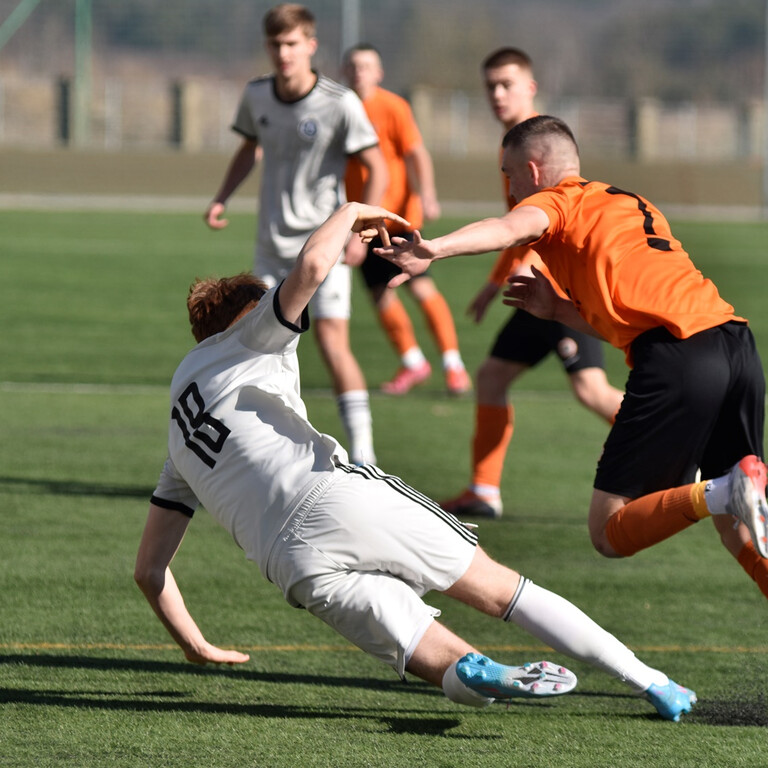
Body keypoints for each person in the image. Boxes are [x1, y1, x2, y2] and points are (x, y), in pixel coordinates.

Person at [135, 201, 696, 721]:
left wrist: (195, 645)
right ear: (243, 315)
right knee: (503, 590)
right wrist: (352, 211)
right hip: (330, 495)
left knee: (428, 653)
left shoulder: (178, 439)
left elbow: (150, 571)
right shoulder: (249, 338)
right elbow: (309, 268)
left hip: (290, 566)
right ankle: (653, 682)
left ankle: (479, 671)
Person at [376, 115, 768, 603]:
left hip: (679, 357)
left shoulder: (555, 200)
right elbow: (630, 319)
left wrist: (434, 249)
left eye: (509, 173)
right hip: (735, 346)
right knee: (744, 524)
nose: (511, 187)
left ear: (534, 171)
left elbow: (506, 228)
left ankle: (721, 490)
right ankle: (729, 495)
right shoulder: (631, 203)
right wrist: (560, 309)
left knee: (609, 530)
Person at [441, 48, 623, 518]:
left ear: (530, 87)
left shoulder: (541, 144)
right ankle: (483, 490)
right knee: (492, 377)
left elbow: (548, 222)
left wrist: (522, 267)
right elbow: (517, 226)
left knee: (592, 390)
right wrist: (493, 282)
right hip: (534, 289)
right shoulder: (514, 144)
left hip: (558, 288)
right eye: (490, 86)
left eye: (506, 84)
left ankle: (686, 445)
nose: (497, 94)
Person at [204, 4, 388, 465]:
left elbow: (377, 168)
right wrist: (222, 195)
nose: (283, 53)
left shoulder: (340, 102)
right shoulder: (257, 96)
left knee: (331, 343)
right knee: (258, 346)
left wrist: (359, 229)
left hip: (322, 248)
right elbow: (249, 149)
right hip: (270, 248)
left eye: (292, 44)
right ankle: (259, 451)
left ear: (310, 45)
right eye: (275, 44)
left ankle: (364, 455)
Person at [342, 43, 471, 396]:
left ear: (379, 73)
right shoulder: (340, 110)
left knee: (420, 285)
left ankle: (453, 365)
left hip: (398, 216)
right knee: (379, 294)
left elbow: (416, 152)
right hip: (363, 219)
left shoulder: (392, 106)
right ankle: (413, 363)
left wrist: (426, 193)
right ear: (344, 71)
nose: (359, 72)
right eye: (353, 66)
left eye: (366, 66)